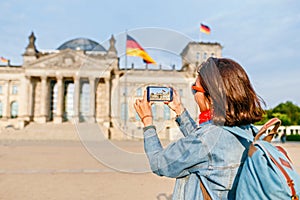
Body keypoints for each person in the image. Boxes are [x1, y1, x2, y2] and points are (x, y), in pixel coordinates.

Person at [134, 57, 265, 200]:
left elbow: (159, 163)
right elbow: (205, 149)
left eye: (195, 89)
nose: (195, 95)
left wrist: (147, 120)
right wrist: (179, 110)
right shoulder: (249, 132)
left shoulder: (206, 139)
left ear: (212, 95)